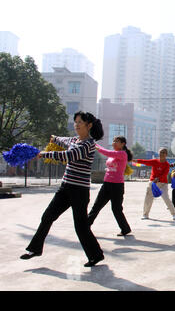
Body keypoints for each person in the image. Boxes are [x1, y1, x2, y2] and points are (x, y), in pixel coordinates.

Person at [20, 111, 105, 267]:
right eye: (75, 122)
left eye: (80, 122)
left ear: (89, 125)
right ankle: (35, 249)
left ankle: (96, 255)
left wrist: (45, 154)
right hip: (65, 188)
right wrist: (55, 138)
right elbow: (64, 141)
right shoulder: (74, 140)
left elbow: (69, 155)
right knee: (47, 216)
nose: (77, 125)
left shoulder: (89, 144)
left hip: (79, 191)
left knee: (80, 226)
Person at [87, 136, 132, 236]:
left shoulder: (122, 154)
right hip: (107, 184)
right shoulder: (113, 154)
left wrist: (96, 146)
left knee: (116, 209)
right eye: (114, 141)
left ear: (123, 144)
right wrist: (92, 142)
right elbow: (105, 151)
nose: (114, 143)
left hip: (117, 186)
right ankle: (85, 225)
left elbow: (106, 152)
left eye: (117, 141)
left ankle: (125, 229)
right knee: (97, 205)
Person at [133, 147, 175, 221]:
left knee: (166, 199)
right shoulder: (154, 161)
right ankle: (145, 214)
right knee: (148, 198)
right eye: (160, 152)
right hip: (153, 183)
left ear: (166, 154)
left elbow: (165, 174)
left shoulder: (167, 164)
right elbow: (145, 162)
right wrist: (136, 160)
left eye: (163, 152)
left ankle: (174, 213)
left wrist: (158, 178)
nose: (161, 154)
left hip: (163, 184)